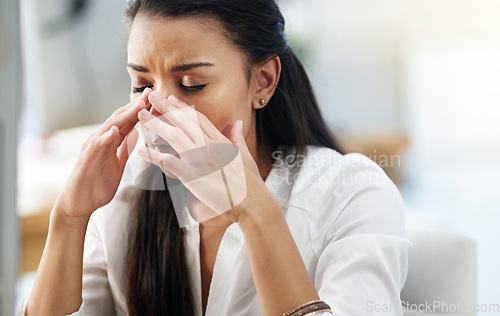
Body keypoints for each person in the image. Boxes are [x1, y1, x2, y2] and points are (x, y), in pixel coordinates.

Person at [19, 0, 410, 315]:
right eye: (141, 85)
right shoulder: (126, 192)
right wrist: (69, 218)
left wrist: (253, 208)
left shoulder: (351, 193)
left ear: (263, 81)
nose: (158, 107)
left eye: (192, 85)